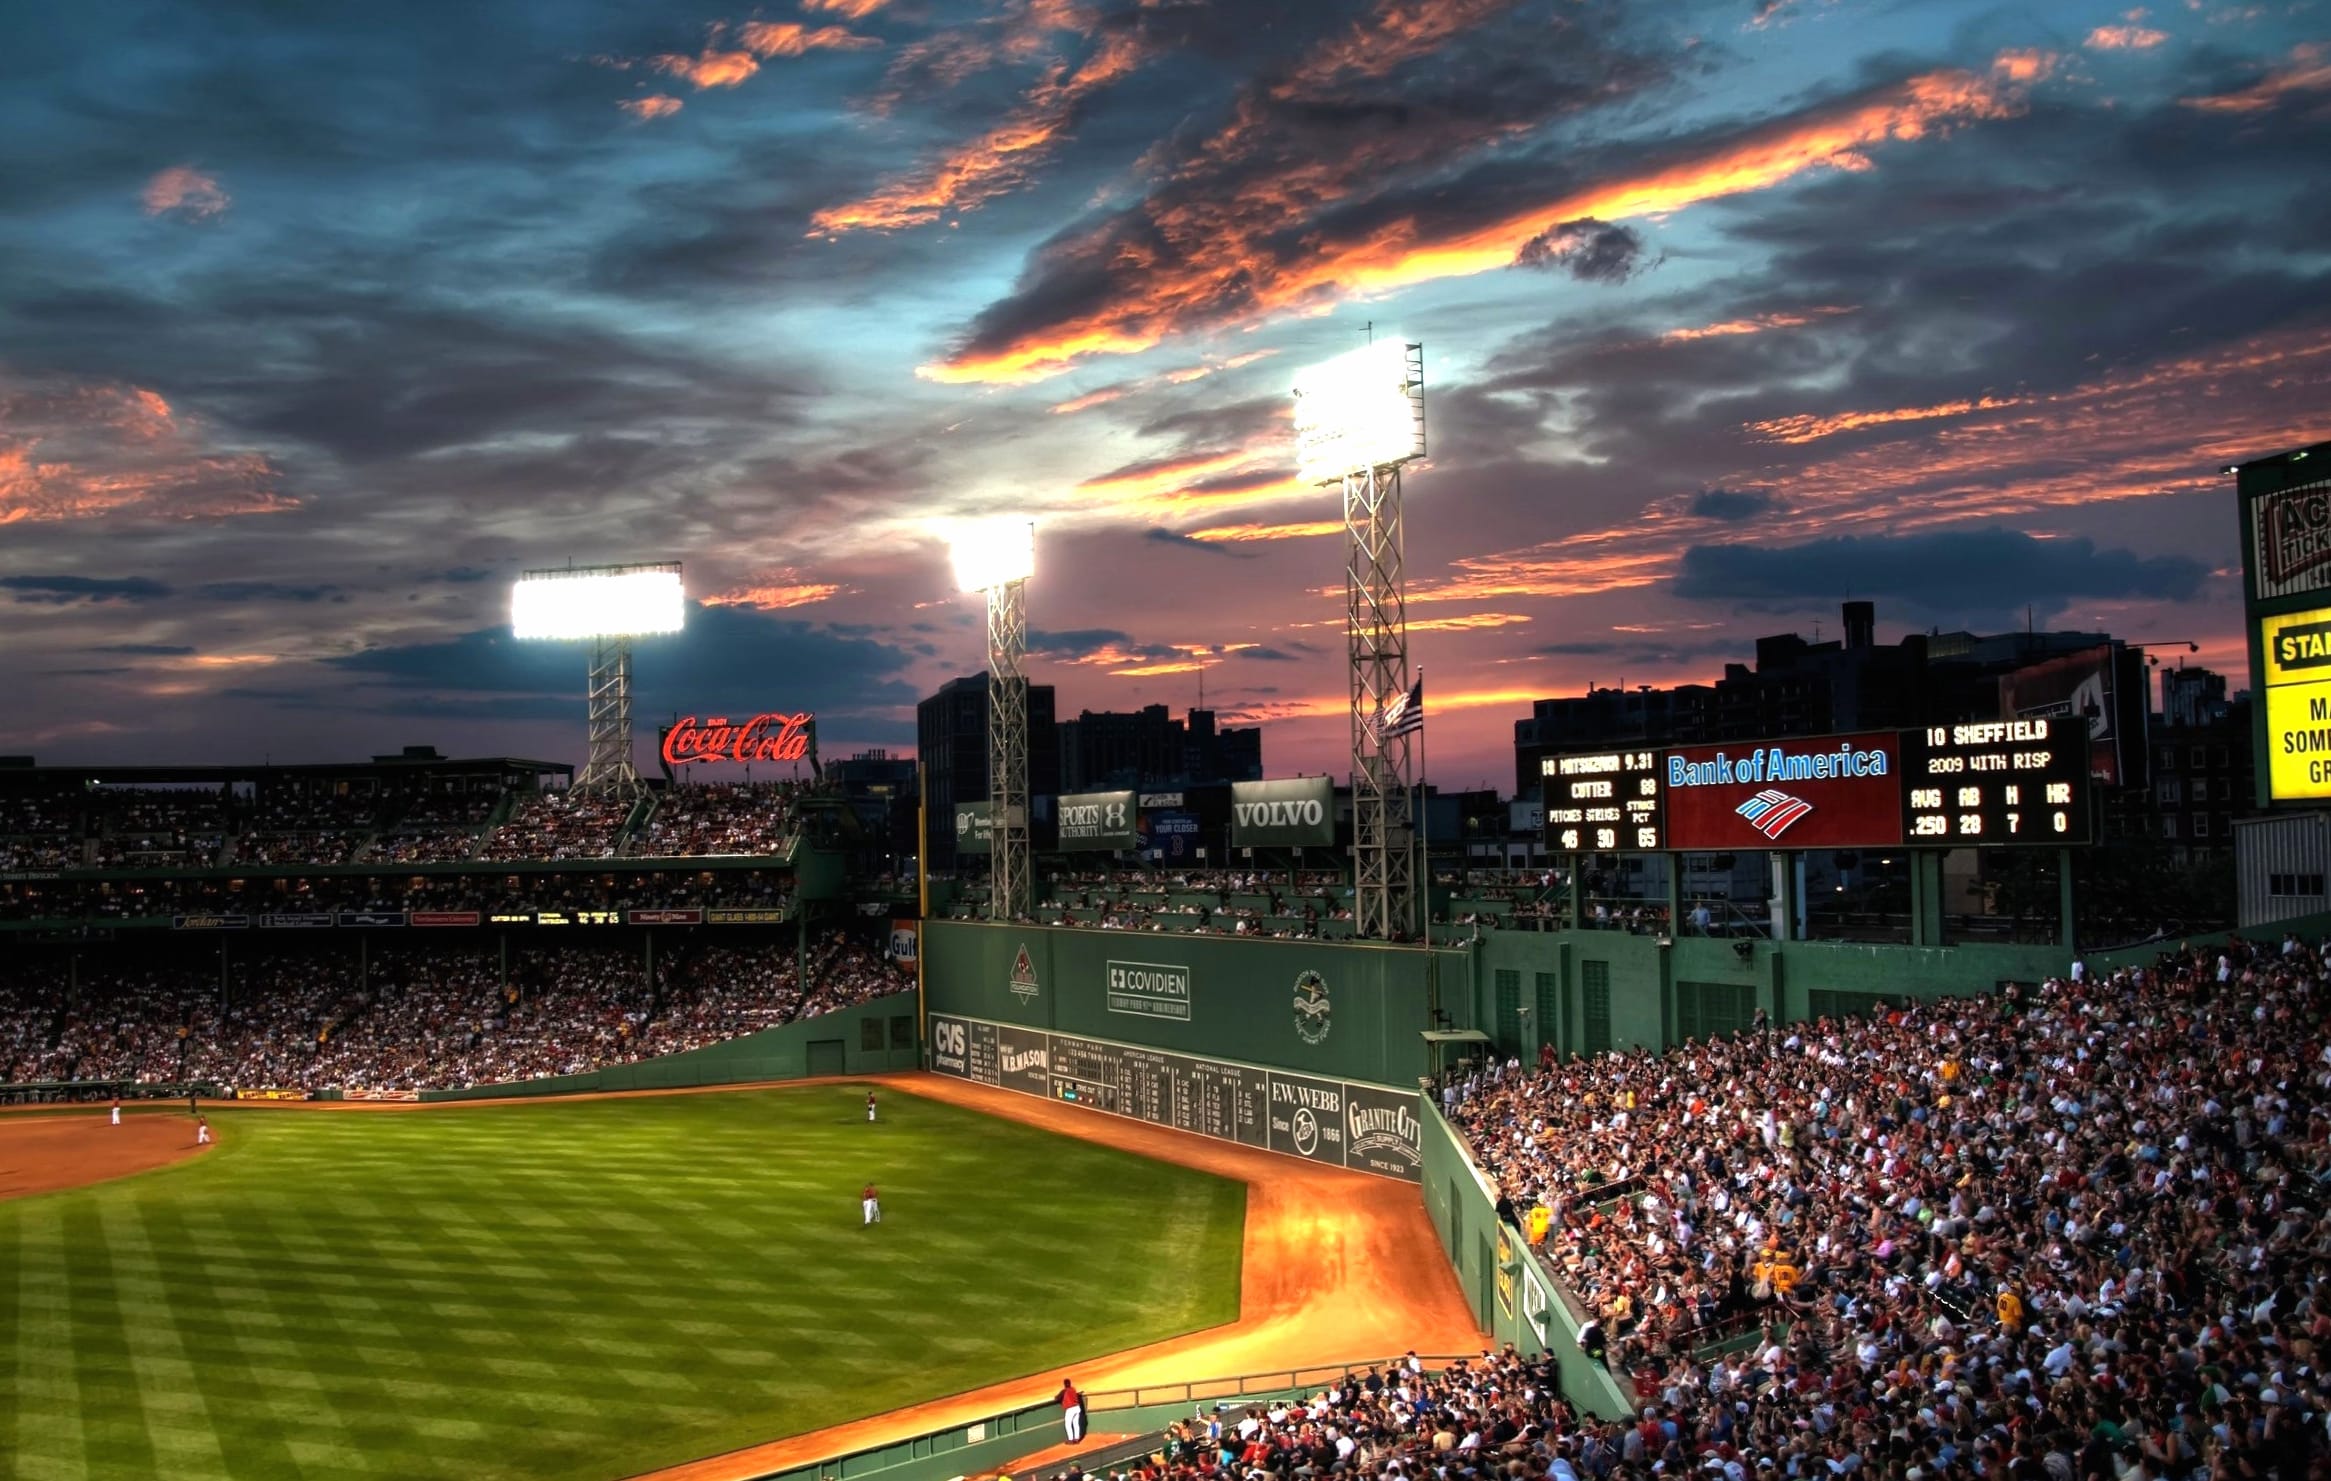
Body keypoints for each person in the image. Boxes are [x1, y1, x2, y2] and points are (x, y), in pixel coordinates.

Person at [1058, 1378, 1085, 1443]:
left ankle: (1070, 1439)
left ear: (1064, 1384)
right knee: (1075, 1423)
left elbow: (1057, 1398)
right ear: (1070, 1384)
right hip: (1077, 1408)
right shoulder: (1073, 1389)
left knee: (1068, 1424)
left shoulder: (1064, 1391)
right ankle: (1076, 1439)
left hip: (1070, 1409)